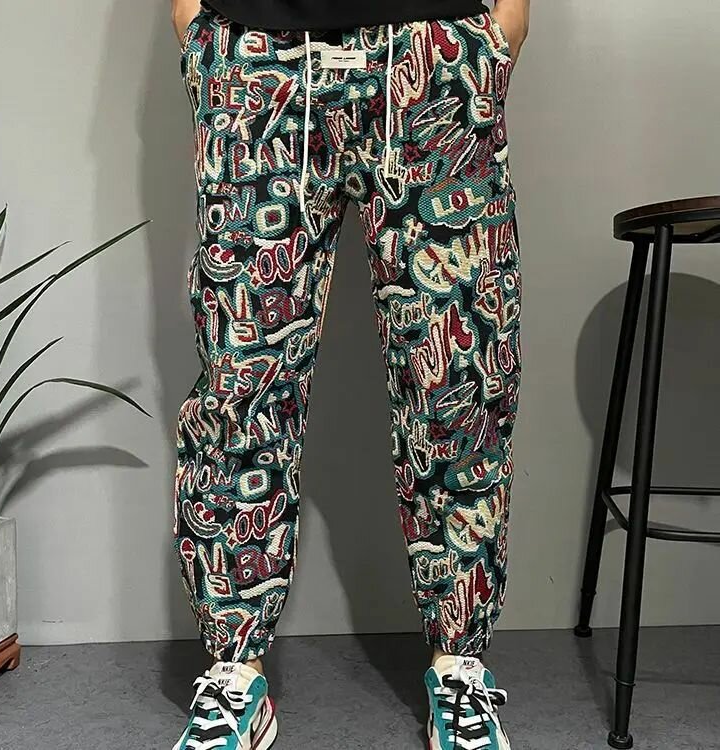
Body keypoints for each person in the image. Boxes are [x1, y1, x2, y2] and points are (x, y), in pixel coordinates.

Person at [170, 0, 529, 746]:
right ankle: (236, 674)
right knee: (241, 381)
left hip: (435, 51)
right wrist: (194, 17)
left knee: (458, 379)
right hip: (255, 50)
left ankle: (459, 666)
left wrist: (508, 21)